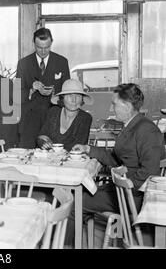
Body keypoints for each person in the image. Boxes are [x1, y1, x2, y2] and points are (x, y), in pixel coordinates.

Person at [65, 83, 165, 247]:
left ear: (126, 106)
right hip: (121, 189)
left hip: (133, 196)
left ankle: (64, 245)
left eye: (114, 104)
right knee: (80, 195)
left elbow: (150, 173)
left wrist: (123, 181)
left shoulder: (146, 130)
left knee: (76, 203)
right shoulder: (133, 125)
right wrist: (88, 149)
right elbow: (115, 159)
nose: (112, 108)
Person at [16, 27, 70, 148]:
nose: (43, 51)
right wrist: (31, 89)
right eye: (39, 47)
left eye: (47, 47)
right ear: (33, 44)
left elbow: (68, 93)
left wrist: (56, 96)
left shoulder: (62, 62)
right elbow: (16, 95)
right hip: (29, 123)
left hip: (54, 120)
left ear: (52, 42)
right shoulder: (23, 64)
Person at [37, 79, 93, 152]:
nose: (74, 100)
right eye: (70, 95)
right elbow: (42, 136)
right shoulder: (53, 112)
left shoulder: (85, 118)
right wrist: (43, 142)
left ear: (82, 99)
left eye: (78, 96)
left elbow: (79, 147)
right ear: (62, 98)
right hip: (50, 159)